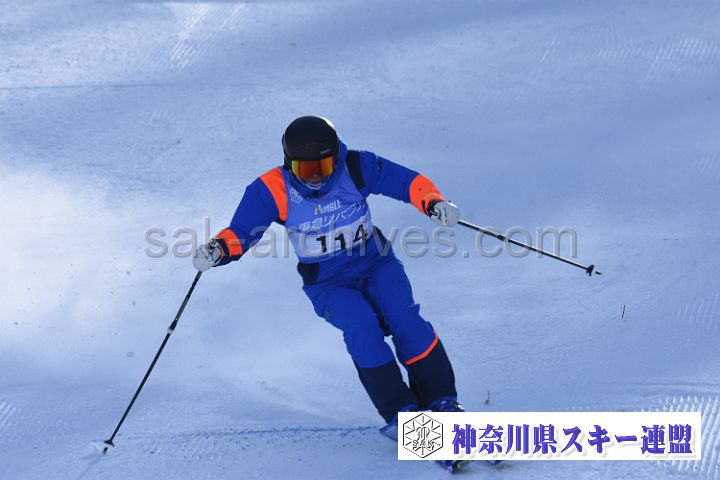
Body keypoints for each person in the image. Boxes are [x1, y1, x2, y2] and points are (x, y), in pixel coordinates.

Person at [193, 116, 463, 440]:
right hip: (329, 282)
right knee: (362, 329)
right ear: (289, 163)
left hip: (376, 264)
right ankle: (402, 413)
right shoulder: (270, 189)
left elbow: (406, 181)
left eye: (322, 167)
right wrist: (219, 249)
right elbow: (242, 232)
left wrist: (433, 202)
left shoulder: (356, 167)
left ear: (336, 156)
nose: (315, 178)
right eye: (304, 170)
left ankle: (442, 401)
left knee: (406, 321)